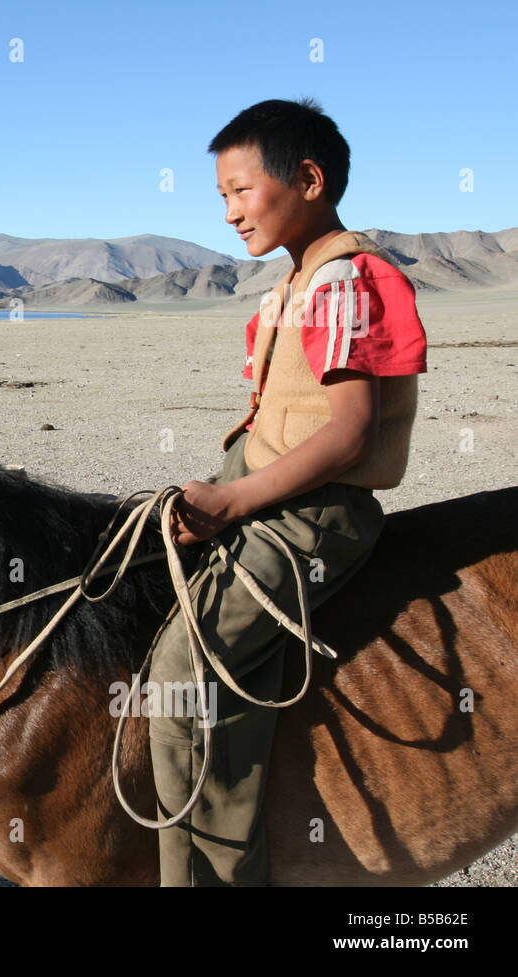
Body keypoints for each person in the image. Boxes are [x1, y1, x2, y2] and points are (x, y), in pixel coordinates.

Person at [146, 97, 428, 885]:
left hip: (313, 517)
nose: (231, 213)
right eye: (222, 198)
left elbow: (350, 434)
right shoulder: (296, 282)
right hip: (270, 492)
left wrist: (232, 503)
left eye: (241, 191)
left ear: (307, 178)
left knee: (183, 673)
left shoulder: (341, 280)